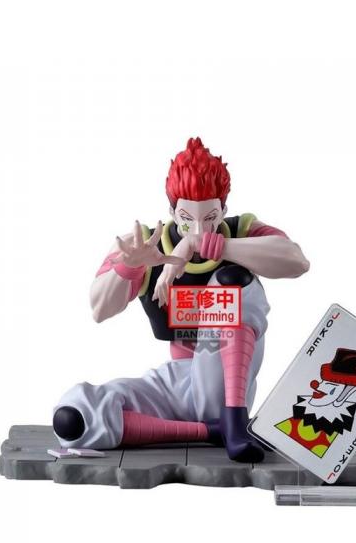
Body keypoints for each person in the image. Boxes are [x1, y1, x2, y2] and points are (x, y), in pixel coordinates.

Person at [53, 137, 310, 462]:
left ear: (224, 210)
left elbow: (296, 261)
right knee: (75, 416)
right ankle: (210, 431)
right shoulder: (146, 245)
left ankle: (233, 418)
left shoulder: (242, 231)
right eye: (187, 219)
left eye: (210, 216)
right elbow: (99, 309)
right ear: (172, 211)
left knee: (231, 283)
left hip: (225, 380)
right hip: (178, 379)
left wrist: (217, 246)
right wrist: (129, 268)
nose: (198, 228)